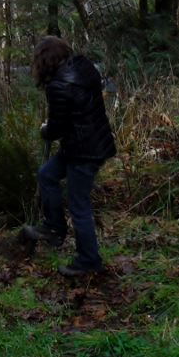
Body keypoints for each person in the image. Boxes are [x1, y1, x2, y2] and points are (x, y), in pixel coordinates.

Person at [22, 35, 116, 277]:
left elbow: (55, 130)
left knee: (79, 206)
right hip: (88, 143)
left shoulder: (59, 86)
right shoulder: (84, 68)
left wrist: (46, 128)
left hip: (84, 151)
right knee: (47, 174)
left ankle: (88, 261)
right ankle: (54, 227)